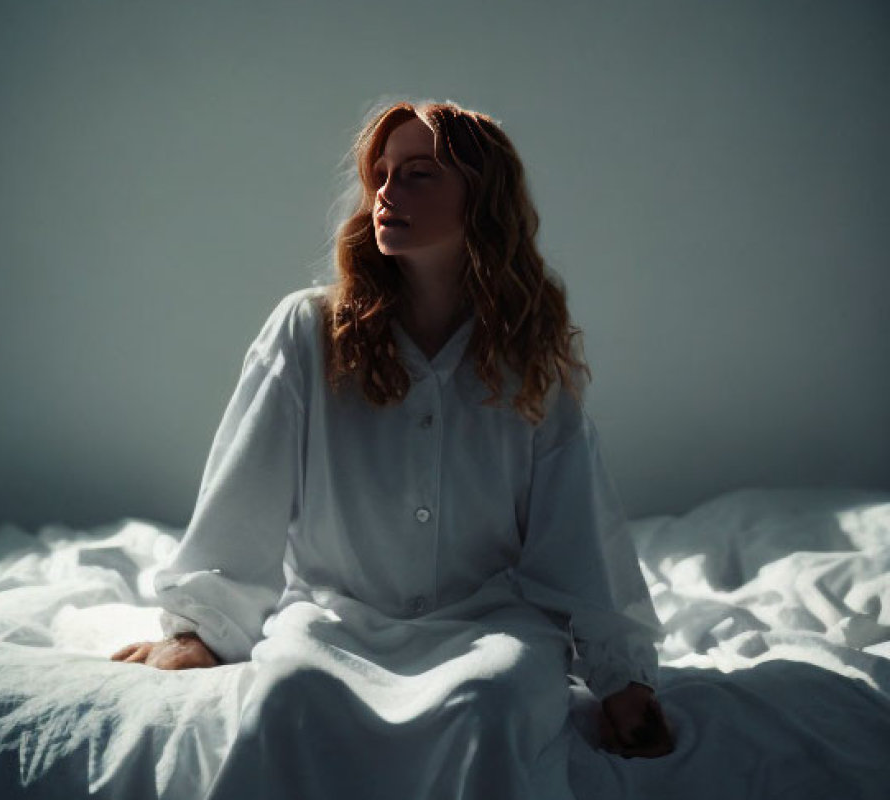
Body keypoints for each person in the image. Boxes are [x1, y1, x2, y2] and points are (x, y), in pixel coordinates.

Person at [111, 98, 674, 795]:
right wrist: (202, 630)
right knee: (292, 701)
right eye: (378, 174)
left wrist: (619, 676)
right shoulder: (307, 329)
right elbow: (243, 495)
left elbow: (575, 527)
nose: (384, 192)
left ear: (480, 197)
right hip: (335, 621)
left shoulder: (528, 356)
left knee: (487, 705)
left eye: (417, 174)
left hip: (489, 626)